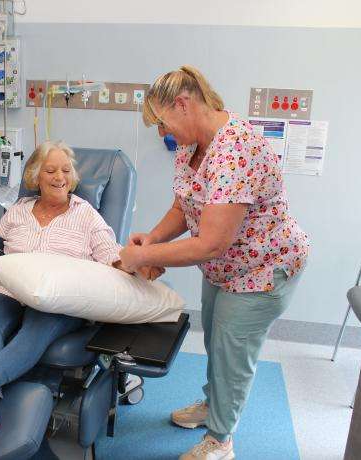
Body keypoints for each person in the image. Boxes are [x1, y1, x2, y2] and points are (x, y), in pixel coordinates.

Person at [118, 66, 310, 460]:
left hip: (263, 269)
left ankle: (220, 442)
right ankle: (212, 405)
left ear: (183, 104)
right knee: (214, 339)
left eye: (162, 122)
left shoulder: (235, 150)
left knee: (231, 351)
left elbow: (210, 243)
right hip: (227, 267)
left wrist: (144, 255)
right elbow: (182, 205)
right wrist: (152, 238)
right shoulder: (191, 145)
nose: (161, 133)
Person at [0, 141, 128, 434]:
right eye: (50, 170)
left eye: (66, 170)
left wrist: (136, 264)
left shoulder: (85, 215)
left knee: (39, 324)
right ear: (36, 176)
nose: (59, 177)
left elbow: (111, 254)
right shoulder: (18, 211)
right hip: (9, 291)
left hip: (59, 299)